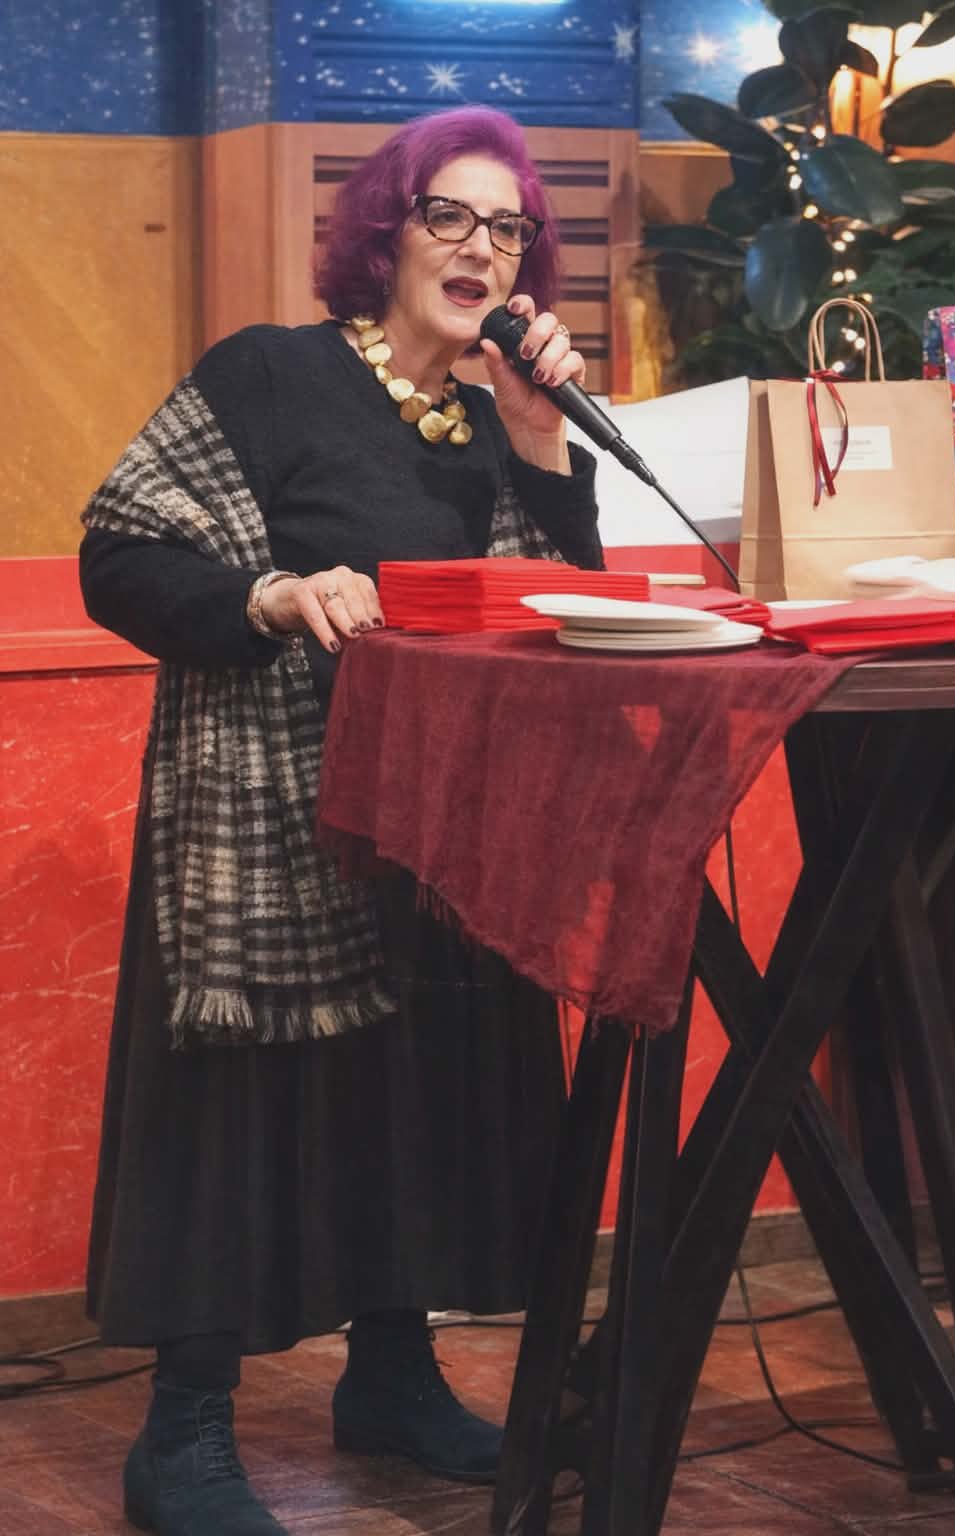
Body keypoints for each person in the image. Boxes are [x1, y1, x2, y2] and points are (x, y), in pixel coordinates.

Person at [79, 105, 603, 1536]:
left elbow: (563, 606)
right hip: (271, 832)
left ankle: (392, 1382)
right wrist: (268, 598)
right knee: (242, 1124)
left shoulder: (495, 423)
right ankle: (182, 1436)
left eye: (509, 230)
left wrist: (543, 440)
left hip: (434, 832)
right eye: (452, 215)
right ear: (388, 229)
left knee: (413, 1106)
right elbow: (121, 551)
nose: (482, 248)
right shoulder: (271, 373)